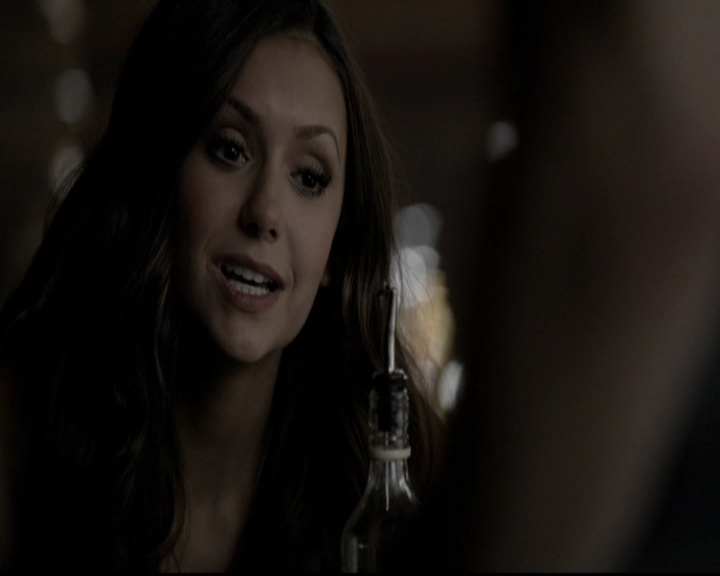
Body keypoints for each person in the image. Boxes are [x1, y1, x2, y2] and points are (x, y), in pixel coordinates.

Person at [0, 0, 442, 571]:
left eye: (309, 177)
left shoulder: (399, 481)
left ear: (338, 247)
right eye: (231, 150)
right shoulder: (20, 428)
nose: (265, 213)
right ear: (159, 173)